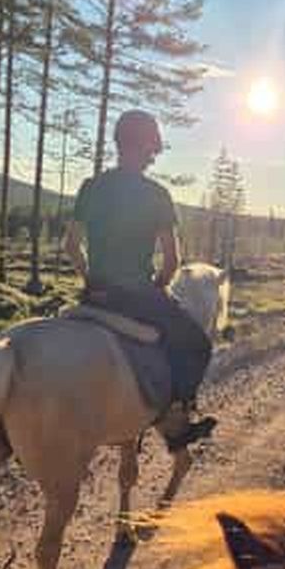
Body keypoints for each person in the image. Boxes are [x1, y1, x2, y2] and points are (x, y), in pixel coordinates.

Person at [64, 109, 216, 451]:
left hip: (94, 296)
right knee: (198, 345)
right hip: (137, 297)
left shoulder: (91, 187)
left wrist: (90, 278)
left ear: (119, 143)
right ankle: (176, 418)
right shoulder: (156, 195)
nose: (153, 155)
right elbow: (172, 260)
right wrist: (159, 285)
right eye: (152, 148)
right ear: (146, 146)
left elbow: (71, 246)